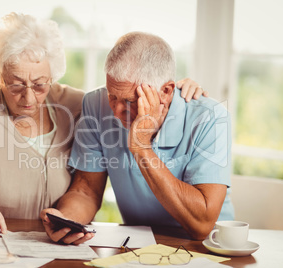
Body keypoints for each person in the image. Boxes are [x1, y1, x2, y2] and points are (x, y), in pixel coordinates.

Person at [0, 13, 205, 234]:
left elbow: (132, 93)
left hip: (52, 245)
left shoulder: (75, 105)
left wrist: (175, 93)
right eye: (15, 85)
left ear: (52, 75)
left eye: (39, 84)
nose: (28, 97)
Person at [41, 31, 233, 243]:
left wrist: (142, 147)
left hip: (208, 246)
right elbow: (86, 189)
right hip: (138, 242)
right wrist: (67, 221)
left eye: (131, 101)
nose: (115, 111)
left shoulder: (210, 117)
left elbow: (202, 225)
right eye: (112, 95)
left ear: (166, 91)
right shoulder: (96, 105)